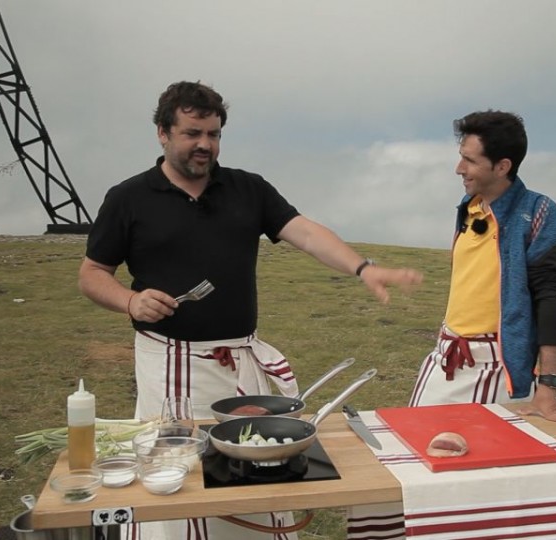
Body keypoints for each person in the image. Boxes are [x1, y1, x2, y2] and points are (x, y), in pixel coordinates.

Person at [78, 81, 422, 540]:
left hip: (241, 361)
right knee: (184, 474)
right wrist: (130, 300)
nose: (205, 145)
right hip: (170, 365)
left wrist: (362, 268)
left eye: (214, 134)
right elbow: (92, 273)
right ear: (162, 132)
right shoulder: (129, 198)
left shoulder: (247, 189)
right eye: (193, 133)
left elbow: (306, 233)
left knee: (255, 466)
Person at [407, 110, 556, 425]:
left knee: (476, 462)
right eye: (461, 157)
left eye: (470, 161)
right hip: (447, 352)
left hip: (495, 363)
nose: (459, 169)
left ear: (503, 166)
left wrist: (548, 385)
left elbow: (548, 299)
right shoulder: (469, 206)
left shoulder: (539, 213)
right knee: (411, 442)